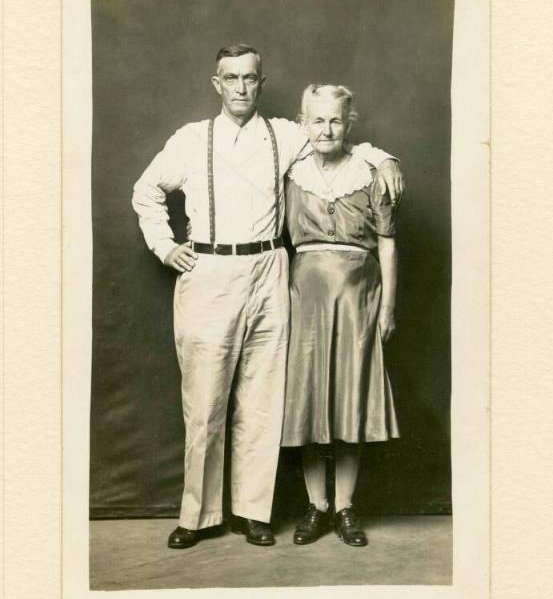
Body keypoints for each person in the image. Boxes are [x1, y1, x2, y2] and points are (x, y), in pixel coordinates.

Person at [132, 45, 404, 550]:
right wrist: (164, 245)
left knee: (262, 401)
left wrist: (381, 156)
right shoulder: (191, 140)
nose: (241, 87)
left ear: (261, 83)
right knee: (205, 401)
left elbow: (337, 138)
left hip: (270, 269)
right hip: (210, 270)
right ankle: (198, 515)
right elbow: (145, 191)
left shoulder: (285, 133)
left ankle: (252, 513)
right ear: (217, 84)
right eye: (231, 78)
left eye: (250, 78)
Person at [281, 84, 400, 547]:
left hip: (358, 300)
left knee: (350, 401)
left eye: (335, 120)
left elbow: (388, 241)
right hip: (303, 302)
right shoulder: (290, 172)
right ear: (302, 123)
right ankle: (318, 505)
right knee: (310, 403)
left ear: (349, 123)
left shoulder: (372, 172)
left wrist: (388, 305)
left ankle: (346, 505)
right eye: (316, 120)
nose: (326, 129)